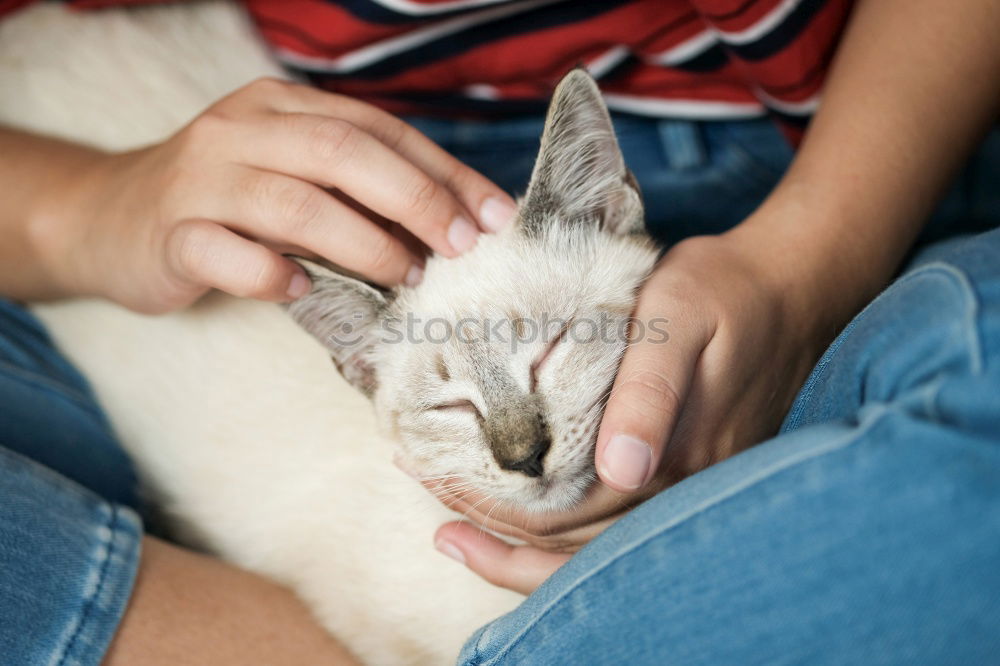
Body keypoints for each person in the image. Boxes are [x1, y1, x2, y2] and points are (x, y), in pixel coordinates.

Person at [0, 0, 997, 664]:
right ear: (358, 366)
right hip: (122, 215)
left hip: (850, 160)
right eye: (451, 402)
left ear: (612, 216)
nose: (517, 451)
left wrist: (813, 260)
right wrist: (78, 212)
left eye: (546, 359)